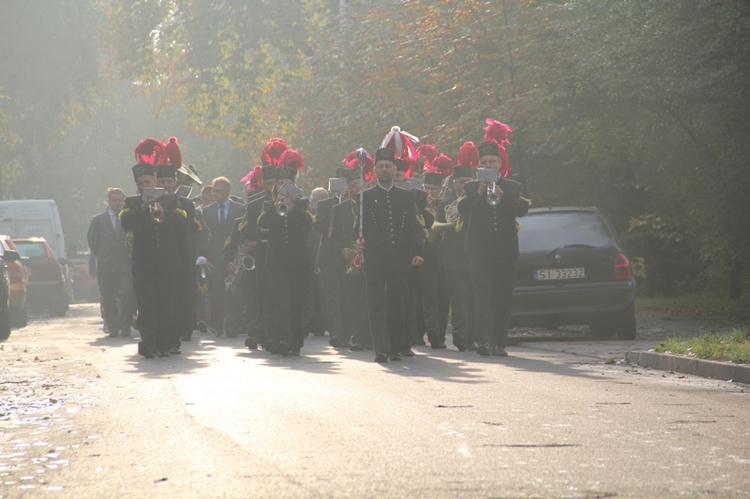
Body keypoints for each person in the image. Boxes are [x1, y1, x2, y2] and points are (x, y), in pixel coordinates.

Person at [458, 140, 528, 357]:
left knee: (503, 297)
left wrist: (503, 195)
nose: (488, 165)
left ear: (499, 164)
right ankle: (483, 341)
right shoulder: (470, 187)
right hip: (480, 252)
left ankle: (499, 342)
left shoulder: (512, 187)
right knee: (482, 296)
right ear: (479, 165)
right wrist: (479, 193)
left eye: (492, 161)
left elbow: (522, 210)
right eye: (484, 162)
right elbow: (462, 209)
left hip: (505, 251)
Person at [121, 140, 190, 358]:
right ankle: (149, 343)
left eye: (148, 181)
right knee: (147, 307)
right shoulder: (132, 203)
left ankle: (165, 342)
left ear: (156, 181)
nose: (145, 186)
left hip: (168, 265)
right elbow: (126, 223)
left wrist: (165, 210)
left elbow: (185, 227)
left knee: (166, 306)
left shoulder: (171, 202)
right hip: (143, 266)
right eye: (141, 183)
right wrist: (143, 208)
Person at [356, 147, 424, 362]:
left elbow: (414, 227)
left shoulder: (406, 196)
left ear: (394, 170)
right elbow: (357, 227)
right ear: (375, 171)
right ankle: (381, 349)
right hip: (375, 258)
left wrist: (417, 252)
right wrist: (358, 240)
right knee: (375, 304)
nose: (384, 170)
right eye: (380, 167)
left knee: (397, 303)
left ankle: (396, 346)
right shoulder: (364, 197)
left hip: (398, 258)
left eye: (388, 167)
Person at [257, 156, 312, 356]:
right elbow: (263, 224)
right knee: (280, 301)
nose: (283, 187)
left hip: (298, 262)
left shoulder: (302, 206)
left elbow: (308, 225)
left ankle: (295, 342)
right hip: (276, 262)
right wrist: (276, 205)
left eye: (287, 184)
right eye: (280, 184)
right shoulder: (269, 205)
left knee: (296, 301)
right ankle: (281, 339)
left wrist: (293, 208)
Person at [86, 187, 136, 338]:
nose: (117, 203)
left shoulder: (129, 217)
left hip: (125, 263)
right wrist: (103, 254)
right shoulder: (98, 220)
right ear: (108, 201)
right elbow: (93, 241)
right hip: (106, 264)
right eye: (114, 200)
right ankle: (113, 326)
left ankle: (125, 325)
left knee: (127, 293)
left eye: (120, 200)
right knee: (108, 296)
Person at [202, 177, 245, 336]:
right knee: (216, 292)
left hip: (234, 258)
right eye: (214, 190)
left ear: (228, 191)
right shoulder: (206, 211)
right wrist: (204, 257)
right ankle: (217, 325)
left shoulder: (240, 209)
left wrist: (236, 258)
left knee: (234, 292)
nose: (215, 193)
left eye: (218, 190)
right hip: (214, 259)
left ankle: (233, 325)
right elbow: (204, 236)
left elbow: (241, 235)